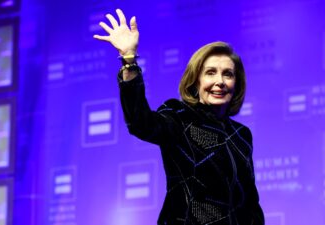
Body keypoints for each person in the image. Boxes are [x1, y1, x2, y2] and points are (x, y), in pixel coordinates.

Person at [94, 9, 265, 225]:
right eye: (210, 72)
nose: (220, 81)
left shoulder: (242, 135)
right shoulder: (179, 116)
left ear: (236, 83)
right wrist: (129, 60)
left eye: (228, 74)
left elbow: (250, 203)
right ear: (195, 80)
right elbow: (140, 123)